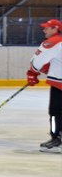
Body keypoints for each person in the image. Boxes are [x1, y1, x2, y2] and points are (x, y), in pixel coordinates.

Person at [27, 18, 62, 153]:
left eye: (47, 27)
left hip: (60, 84)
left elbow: (37, 60)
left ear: (55, 29)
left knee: (55, 112)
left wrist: (32, 73)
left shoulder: (53, 41)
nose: (44, 30)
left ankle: (57, 140)